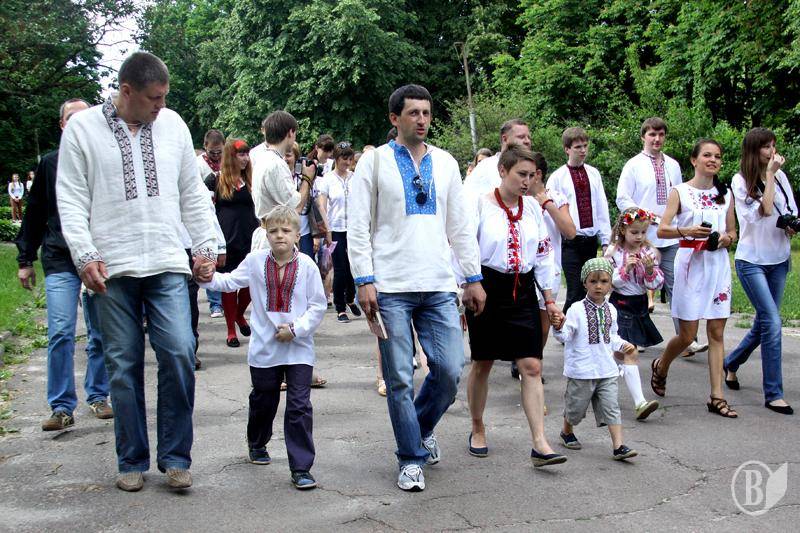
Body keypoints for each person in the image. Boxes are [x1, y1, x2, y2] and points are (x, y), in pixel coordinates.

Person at [57, 51, 219, 491]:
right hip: (111, 267)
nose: (161, 106)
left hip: (166, 261)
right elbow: (70, 197)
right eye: (154, 98)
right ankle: (131, 460)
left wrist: (205, 246)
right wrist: (84, 254)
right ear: (126, 91)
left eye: (164, 97)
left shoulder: (173, 126)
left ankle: (176, 457)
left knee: (180, 351)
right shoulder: (83, 129)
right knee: (123, 365)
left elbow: (192, 192)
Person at [348, 84, 485, 492]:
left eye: (426, 113)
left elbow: (460, 225)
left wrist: (472, 276)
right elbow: (358, 225)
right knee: (400, 379)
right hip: (390, 285)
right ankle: (410, 458)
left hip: (438, 282)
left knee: (448, 370)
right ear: (395, 119)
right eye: (413, 113)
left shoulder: (445, 163)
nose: (421, 120)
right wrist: (364, 279)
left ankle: (420, 429)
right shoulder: (374, 162)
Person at [198, 206, 327, 490]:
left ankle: (301, 467)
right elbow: (229, 282)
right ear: (265, 234)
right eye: (274, 231)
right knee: (264, 399)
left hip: (298, 348)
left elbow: (318, 305)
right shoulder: (255, 261)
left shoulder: (307, 265)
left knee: (299, 405)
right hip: (264, 348)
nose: (280, 235)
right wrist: (204, 276)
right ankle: (257, 442)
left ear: (297, 235)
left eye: (286, 230)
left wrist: (296, 329)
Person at [463, 145, 566, 467]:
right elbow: (464, 248)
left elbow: (544, 255)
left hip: (522, 291)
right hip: (486, 288)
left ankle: (540, 443)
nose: (527, 181)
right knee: (483, 362)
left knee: (532, 365)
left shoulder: (533, 208)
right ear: (503, 171)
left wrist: (549, 299)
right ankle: (477, 427)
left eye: (532, 175)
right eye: (521, 174)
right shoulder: (480, 205)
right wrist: (467, 285)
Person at [15, 97, 113, 431]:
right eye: (72, 118)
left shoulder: (103, 159)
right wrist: (25, 259)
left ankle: (98, 396)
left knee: (100, 334)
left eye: (86, 117)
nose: (79, 123)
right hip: (60, 257)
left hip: (97, 258)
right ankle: (61, 406)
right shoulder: (50, 163)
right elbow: (34, 213)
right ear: (62, 125)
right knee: (60, 331)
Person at [651, 139, 738, 418]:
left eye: (717, 156)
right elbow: (662, 229)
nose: (713, 160)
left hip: (717, 266)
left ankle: (716, 397)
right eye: (707, 155)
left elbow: (733, 233)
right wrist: (687, 230)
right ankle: (662, 365)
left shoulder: (725, 194)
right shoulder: (680, 192)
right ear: (694, 160)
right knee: (687, 335)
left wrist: (724, 239)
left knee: (716, 332)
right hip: (690, 265)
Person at [616, 117, 707, 357]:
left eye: (661, 135)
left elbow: (681, 197)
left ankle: (686, 340)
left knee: (679, 286)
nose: (657, 139)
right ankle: (635, 337)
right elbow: (622, 198)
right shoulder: (633, 165)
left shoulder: (673, 165)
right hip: (642, 237)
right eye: (652, 134)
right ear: (643, 137)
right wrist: (645, 217)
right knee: (636, 286)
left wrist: (685, 223)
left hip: (671, 236)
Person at [724, 128, 796, 415]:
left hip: (779, 258)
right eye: (766, 147)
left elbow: (788, 209)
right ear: (754, 151)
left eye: (773, 145)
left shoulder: (780, 176)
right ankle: (774, 394)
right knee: (773, 322)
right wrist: (769, 175)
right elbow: (764, 210)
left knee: (765, 323)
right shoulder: (740, 181)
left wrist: (791, 224)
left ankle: (731, 363)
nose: (772, 151)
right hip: (752, 260)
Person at [552, 258, 639, 460]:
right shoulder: (576, 309)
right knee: (575, 408)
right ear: (585, 283)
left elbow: (612, 336)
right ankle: (566, 431)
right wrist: (558, 327)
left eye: (604, 281)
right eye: (593, 281)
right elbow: (565, 335)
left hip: (606, 369)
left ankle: (619, 446)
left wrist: (623, 345)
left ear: (610, 284)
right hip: (582, 370)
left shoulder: (612, 310)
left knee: (612, 407)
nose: (598, 286)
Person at [604, 207, 663, 420]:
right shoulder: (614, 253)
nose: (639, 237)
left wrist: (649, 270)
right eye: (634, 232)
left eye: (643, 232)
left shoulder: (649, 252)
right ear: (623, 230)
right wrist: (625, 270)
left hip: (639, 305)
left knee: (619, 355)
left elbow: (655, 283)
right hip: (620, 304)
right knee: (630, 351)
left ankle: (600, 381)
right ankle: (640, 403)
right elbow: (609, 283)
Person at [546, 127, 612, 313]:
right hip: (570, 242)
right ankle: (564, 325)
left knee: (590, 290)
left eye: (585, 146)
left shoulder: (593, 173)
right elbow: (551, 212)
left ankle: (585, 326)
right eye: (577, 147)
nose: (583, 150)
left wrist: (606, 240)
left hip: (590, 240)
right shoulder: (557, 177)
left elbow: (601, 207)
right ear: (567, 149)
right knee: (575, 290)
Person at [205, 139, 260, 348]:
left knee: (251, 282)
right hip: (227, 241)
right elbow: (207, 212)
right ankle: (230, 330)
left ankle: (239, 314)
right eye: (241, 154)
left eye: (247, 154)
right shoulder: (215, 180)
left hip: (250, 239)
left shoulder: (252, 180)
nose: (245, 158)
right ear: (231, 156)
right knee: (229, 286)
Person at [316, 141, 361, 322]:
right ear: (336, 158)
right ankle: (340, 307)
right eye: (344, 159)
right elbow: (321, 205)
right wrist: (327, 229)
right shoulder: (327, 179)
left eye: (350, 159)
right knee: (340, 269)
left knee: (353, 267)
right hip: (336, 229)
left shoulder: (355, 178)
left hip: (354, 229)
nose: (347, 162)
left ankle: (350, 298)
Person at [198, 129, 226, 318]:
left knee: (224, 259)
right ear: (205, 147)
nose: (216, 156)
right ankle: (215, 302)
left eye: (219, 152)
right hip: (207, 214)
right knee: (211, 256)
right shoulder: (198, 165)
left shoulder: (227, 163)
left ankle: (225, 299)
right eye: (212, 152)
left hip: (224, 213)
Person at [463, 119, 531, 197]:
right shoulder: (486, 167)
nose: (527, 141)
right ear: (505, 139)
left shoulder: (533, 169)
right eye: (521, 137)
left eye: (529, 137)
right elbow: (465, 199)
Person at [284, 142, 315, 258]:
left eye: (288, 155)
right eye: (282, 155)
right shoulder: (280, 177)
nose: (284, 159)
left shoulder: (304, 177)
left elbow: (311, 205)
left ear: (296, 158)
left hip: (304, 231)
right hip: (285, 231)